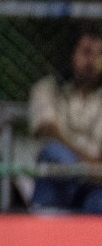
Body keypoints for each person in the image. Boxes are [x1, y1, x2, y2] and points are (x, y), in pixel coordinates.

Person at [28, 26, 102, 214]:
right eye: (85, 52)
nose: (91, 61)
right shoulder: (47, 88)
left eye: (98, 54)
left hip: (95, 187)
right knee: (53, 153)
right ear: (71, 54)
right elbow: (48, 130)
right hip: (59, 177)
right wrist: (86, 167)